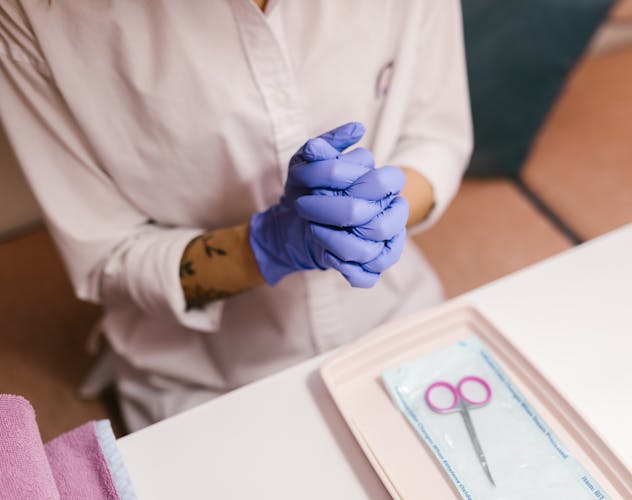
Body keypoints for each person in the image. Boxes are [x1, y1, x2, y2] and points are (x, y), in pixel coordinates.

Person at [0, 0, 472, 431]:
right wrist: (266, 245)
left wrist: (382, 208)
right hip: (205, 378)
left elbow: (436, 135)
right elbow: (108, 257)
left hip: (396, 314)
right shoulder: (34, 16)